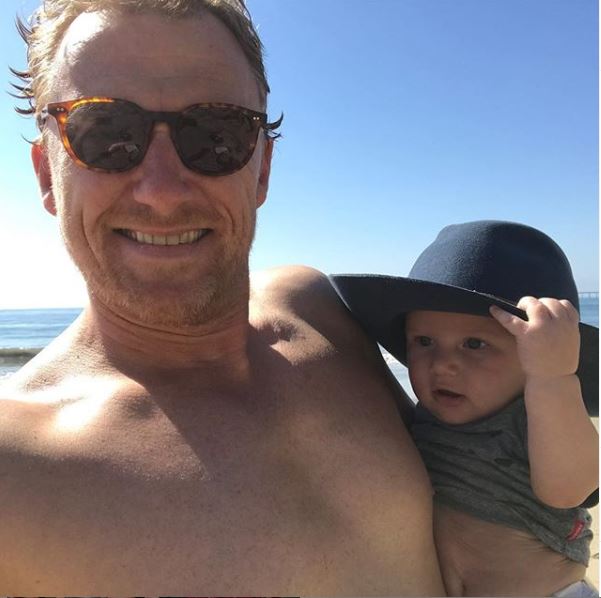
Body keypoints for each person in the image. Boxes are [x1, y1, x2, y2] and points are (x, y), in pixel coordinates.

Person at [0, 1, 446, 595]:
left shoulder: (319, 311)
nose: (161, 192)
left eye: (216, 135)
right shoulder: (16, 471)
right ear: (46, 174)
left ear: (261, 169)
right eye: (104, 133)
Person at [332, 220, 599, 597]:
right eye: (424, 341)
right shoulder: (421, 419)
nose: (443, 365)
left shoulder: (538, 418)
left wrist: (553, 378)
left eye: (474, 344)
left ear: (534, 357)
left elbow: (569, 489)